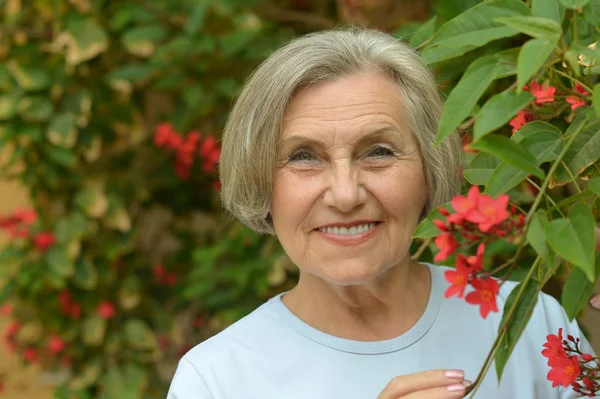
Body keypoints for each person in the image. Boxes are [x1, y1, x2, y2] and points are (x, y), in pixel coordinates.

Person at [167, 28, 596, 399]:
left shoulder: (529, 322)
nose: (345, 194)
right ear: (263, 182)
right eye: (303, 157)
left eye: (377, 152)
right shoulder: (217, 380)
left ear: (430, 169)